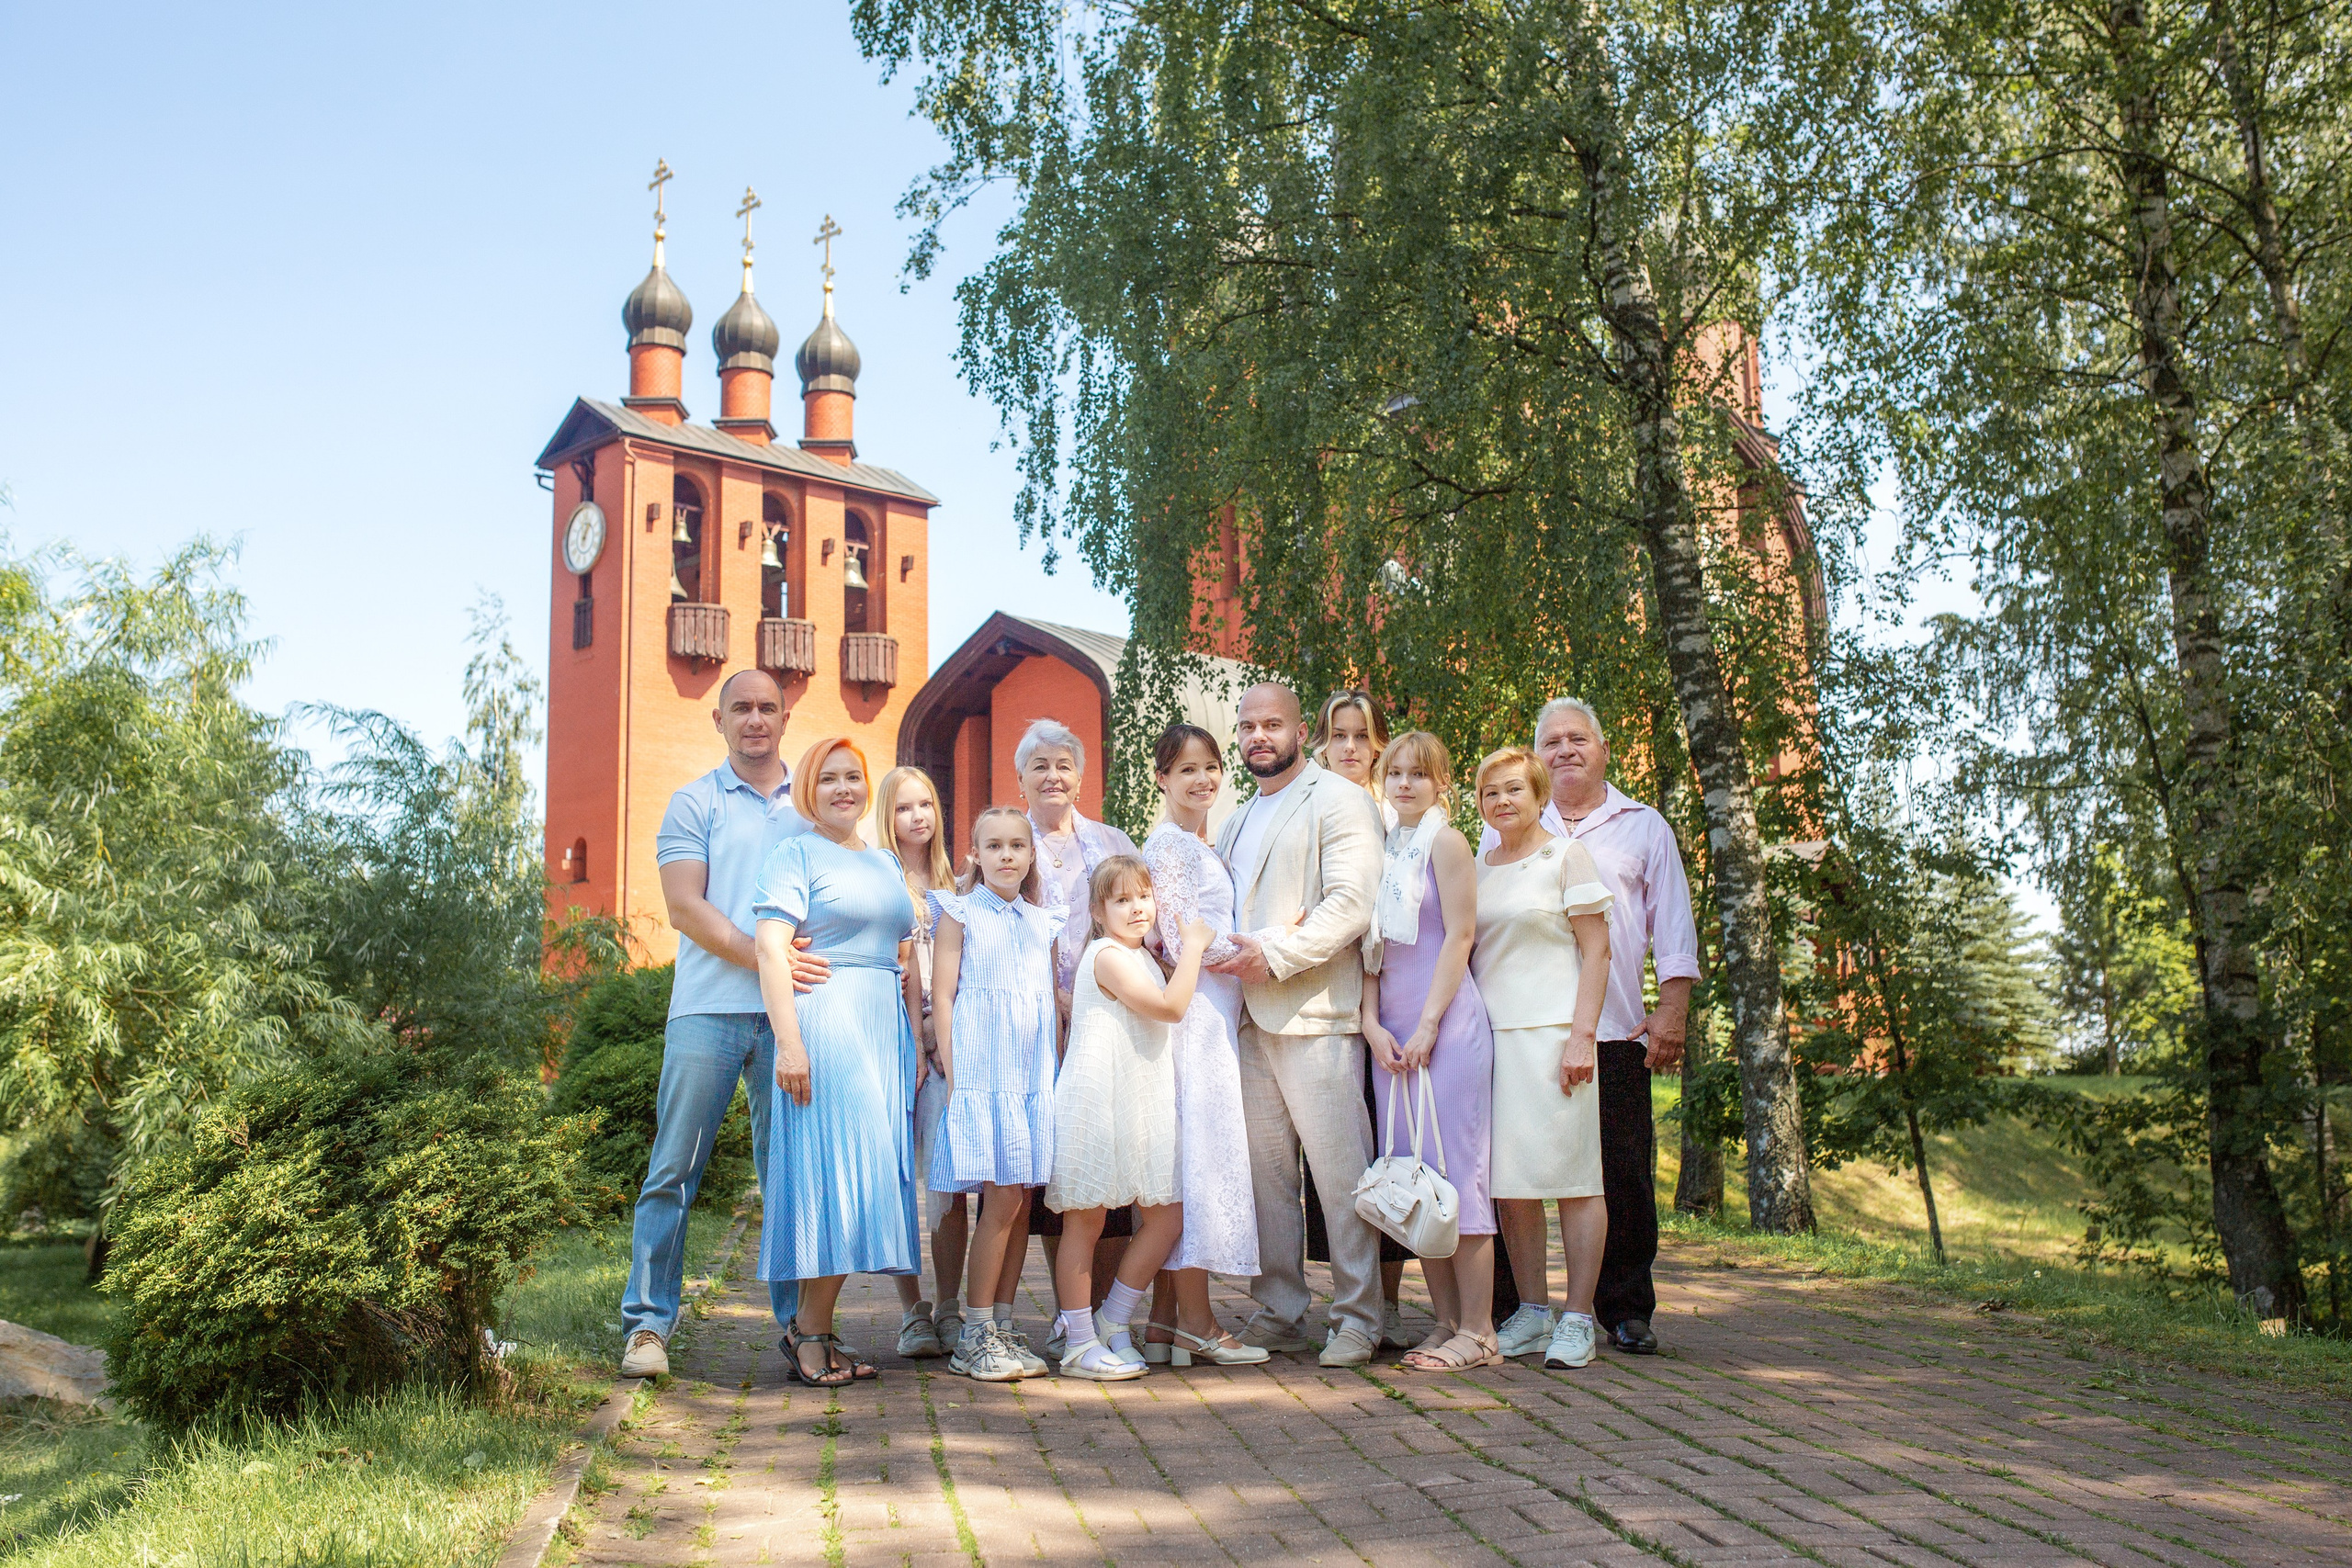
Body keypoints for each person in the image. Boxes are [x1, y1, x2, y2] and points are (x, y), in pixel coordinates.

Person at [1478, 698, 1700, 1356]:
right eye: (1552, 741)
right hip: (1519, 1031)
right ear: (1537, 758)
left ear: (1604, 749)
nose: (1566, 749)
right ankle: (1522, 1305)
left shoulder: (1643, 826)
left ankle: (1624, 1308)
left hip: (1615, 1027)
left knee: (1619, 1174)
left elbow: (1675, 927)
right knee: (1515, 1171)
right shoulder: (1505, 827)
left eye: (1579, 738)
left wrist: (1672, 1010)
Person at [618, 669, 807, 1380]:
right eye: (741, 708)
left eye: (767, 707)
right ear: (719, 721)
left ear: (785, 717)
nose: (755, 719)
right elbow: (684, 908)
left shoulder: (813, 805)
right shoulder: (693, 802)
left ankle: (800, 1326)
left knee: (789, 1172)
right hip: (706, 1012)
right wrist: (770, 960)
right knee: (673, 1170)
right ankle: (646, 1327)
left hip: (789, 1018)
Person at [1209, 682, 1386, 1366]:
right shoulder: (1238, 817)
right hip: (1250, 1022)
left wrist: (1274, 955)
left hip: (1317, 1015)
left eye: (1272, 723)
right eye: (1248, 725)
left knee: (1341, 1177)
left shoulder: (1339, 800)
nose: (1258, 735)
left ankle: (1358, 1316)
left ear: (1298, 729)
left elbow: (1351, 903)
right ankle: (1281, 1308)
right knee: (1268, 1179)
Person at [752, 738, 922, 1389]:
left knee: (868, 1178)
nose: (844, 788)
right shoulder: (793, 854)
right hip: (827, 1023)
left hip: (881, 1031)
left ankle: (814, 1327)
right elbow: (771, 951)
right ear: (808, 790)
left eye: (854, 776)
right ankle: (807, 1332)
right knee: (837, 1179)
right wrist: (788, 1043)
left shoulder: (883, 861)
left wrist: (912, 1044)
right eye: (829, 778)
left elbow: (904, 958)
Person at [1044, 855, 1213, 1379]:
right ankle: (1076, 1339)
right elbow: (1169, 1007)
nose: (1137, 908)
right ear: (1099, 910)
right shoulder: (1107, 955)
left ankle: (1114, 1319)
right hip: (1099, 1099)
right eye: (1121, 899)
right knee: (1087, 1217)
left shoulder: (1142, 956)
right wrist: (1196, 949)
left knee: (1167, 1215)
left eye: (1144, 896)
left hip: (1139, 1098)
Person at [1360, 732, 1498, 1371]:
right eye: (1396, 774)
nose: (1406, 784)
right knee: (1420, 1181)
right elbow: (1371, 947)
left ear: (1443, 782)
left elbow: (1461, 935)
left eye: (1421, 774)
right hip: (1392, 1031)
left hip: (1444, 1026)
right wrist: (1371, 1023)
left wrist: (1428, 1023)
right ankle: (1444, 1322)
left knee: (1459, 1174)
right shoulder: (1384, 848)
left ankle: (1480, 1329)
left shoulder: (1446, 841)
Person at [1473, 746, 1614, 1370]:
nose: (1503, 801)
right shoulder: (1480, 865)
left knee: (1575, 1178)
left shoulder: (1566, 855)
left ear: (1539, 796)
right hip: (1493, 1037)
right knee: (1513, 1184)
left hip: (1556, 1035)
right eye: (1490, 793)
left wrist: (1583, 1034)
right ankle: (1532, 1310)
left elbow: (1599, 952)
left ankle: (1579, 1315)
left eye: (1514, 790)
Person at [1137, 725, 1267, 1366]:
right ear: (1161, 778)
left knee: (1195, 1159)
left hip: (1215, 1013)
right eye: (1186, 769)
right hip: (1195, 1020)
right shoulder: (1169, 847)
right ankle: (1198, 1320)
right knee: (1197, 1163)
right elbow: (1185, 936)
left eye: (1212, 767)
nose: (1202, 779)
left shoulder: (1194, 844)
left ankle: (1164, 1325)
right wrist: (1263, 947)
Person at [1016, 717, 1140, 1348]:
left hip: (1102, 1020)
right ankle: (1073, 1316)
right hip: (1034, 1030)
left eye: (1063, 763)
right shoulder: (1010, 843)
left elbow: (1140, 916)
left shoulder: (1111, 840)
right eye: (1039, 764)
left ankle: (1105, 1315)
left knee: (1109, 1161)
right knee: (1054, 1171)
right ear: (1021, 780)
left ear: (1081, 774)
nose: (1053, 774)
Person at [928, 807, 1064, 1382]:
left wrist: (1053, 1079)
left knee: (1021, 1204)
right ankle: (974, 1333)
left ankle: (1002, 1327)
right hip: (983, 1080)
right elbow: (944, 998)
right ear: (976, 856)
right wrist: (957, 1077)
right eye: (995, 846)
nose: (1007, 855)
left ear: (1031, 856)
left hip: (1030, 1082)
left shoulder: (1044, 922)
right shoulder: (960, 915)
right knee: (1001, 1199)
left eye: (1018, 846)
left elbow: (1049, 1008)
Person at [1304, 688, 1412, 1349]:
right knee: (1340, 1162)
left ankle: (1390, 1301)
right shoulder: (1309, 804)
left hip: (1392, 1000)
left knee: (1390, 1154)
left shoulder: (1392, 812)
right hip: (1329, 1002)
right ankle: (1351, 1294)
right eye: (1338, 734)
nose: (1349, 747)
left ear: (1379, 743)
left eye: (1361, 736)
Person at [873, 766, 968, 1361]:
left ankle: (951, 1305)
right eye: (905, 806)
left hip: (945, 1047)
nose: (918, 816)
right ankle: (912, 1310)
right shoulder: (880, 881)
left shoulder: (952, 883)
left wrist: (944, 1040)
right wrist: (914, 1040)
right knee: (897, 1180)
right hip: (894, 1042)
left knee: (949, 1185)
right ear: (888, 814)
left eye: (926, 804)